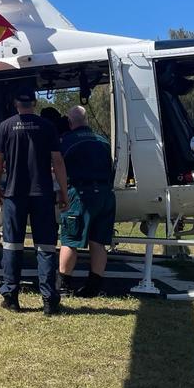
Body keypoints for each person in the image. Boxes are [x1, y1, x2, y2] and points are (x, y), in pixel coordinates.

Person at [0, 91, 70, 315]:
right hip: (42, 194)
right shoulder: (47, 126)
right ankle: (48, 299)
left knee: (12, 245)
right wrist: (63, 191)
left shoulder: (5, 126)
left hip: (15, 194)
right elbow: (58, 161)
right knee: (45, 247)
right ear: (35, 103)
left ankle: (11, 297)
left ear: (16, 103)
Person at [57, 105, 116, 297]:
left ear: (70, 122)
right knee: (98, 242)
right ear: (87, 121)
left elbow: (57, 166)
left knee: (70, 239)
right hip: (106, 194)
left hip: (81, 194)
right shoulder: (104, 140)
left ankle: (63, 286)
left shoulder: (66, 141)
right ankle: (93, 287)